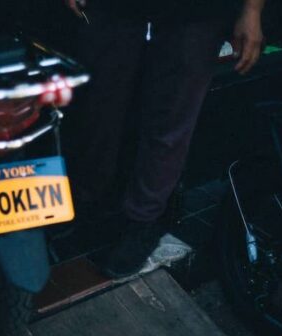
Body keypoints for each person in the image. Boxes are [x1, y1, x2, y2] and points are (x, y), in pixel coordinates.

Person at [63, 0, 266, 280]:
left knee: (171, 121)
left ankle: (142, 221)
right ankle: (87, 205)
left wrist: (252, 9)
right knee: (98, 109)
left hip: (196, 14)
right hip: (113, 10)